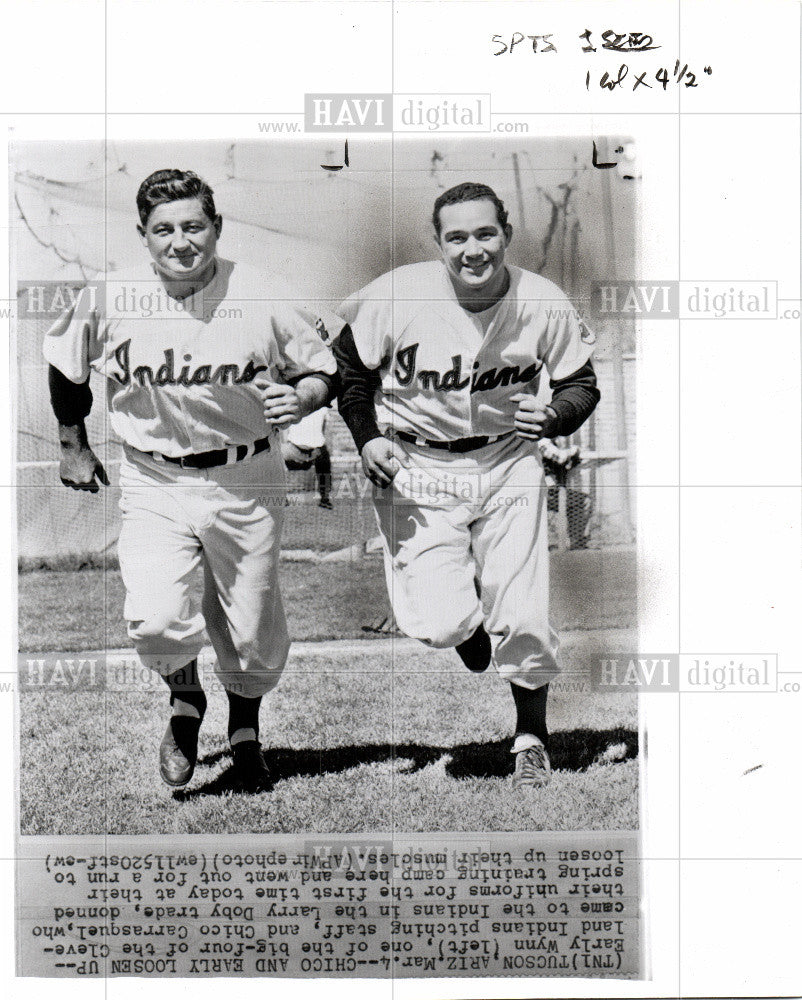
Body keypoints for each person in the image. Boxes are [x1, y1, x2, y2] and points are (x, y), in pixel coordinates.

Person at [44, 168, 338, 792]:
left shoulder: (262, 293)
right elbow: (66, 368)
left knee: (253, 626)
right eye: (163, 230)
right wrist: (72, 446)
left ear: (217, 228)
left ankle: (245, 733)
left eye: (193, 226)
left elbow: (323, 370)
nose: (180, 241)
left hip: (246, 473)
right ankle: (185, 704)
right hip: (154, 477)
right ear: (144, 237)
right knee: (154, 619)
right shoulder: (110, 295)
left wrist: (305, 397)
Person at [335, 181, 599, 789]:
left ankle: (531, 737)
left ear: (505, 233)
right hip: (416, 464)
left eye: (485, 234)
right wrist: (366, 436)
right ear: (439, 243)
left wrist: (557, 416)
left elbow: (581, 383)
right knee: (439, 624)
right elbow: (350, 368)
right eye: (457, 237)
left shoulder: (542, 299)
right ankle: (470, 630)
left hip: (509, 460)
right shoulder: (398, 293)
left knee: (523, 606)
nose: (472, 249)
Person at [539, 437, 593, 549]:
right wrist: (574, 450)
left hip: (547, 491)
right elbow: (560, 458)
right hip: (541, 492)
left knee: (579, 500)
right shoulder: (541, 441)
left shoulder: (550, 442)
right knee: (583, 501)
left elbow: (564, 464)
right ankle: (576, 541)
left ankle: (575, 541)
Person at [281, 407, 333, 508]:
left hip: (315, 449)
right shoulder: (292, 406)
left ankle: (324, 498)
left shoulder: (323, 408)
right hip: (294, 448)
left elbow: (324, 430)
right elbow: (284, 429)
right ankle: (282, 497)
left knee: (324, 461)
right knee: (278, 459)